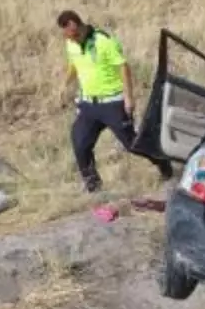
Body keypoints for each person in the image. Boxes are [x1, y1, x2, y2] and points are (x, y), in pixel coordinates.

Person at [57, 10, 174, 193]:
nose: (72, 40)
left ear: (78, 25)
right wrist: (64, 85)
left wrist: (128, 97)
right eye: (67, 37)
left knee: (132, 144)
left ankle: (163, 162)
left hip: (112, 102)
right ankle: (93, 186)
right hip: (88, 104)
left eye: (74, 35)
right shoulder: (70, 44)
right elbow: (74, 64)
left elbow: (123, 67)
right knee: (80, 142)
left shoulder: (104, 41)